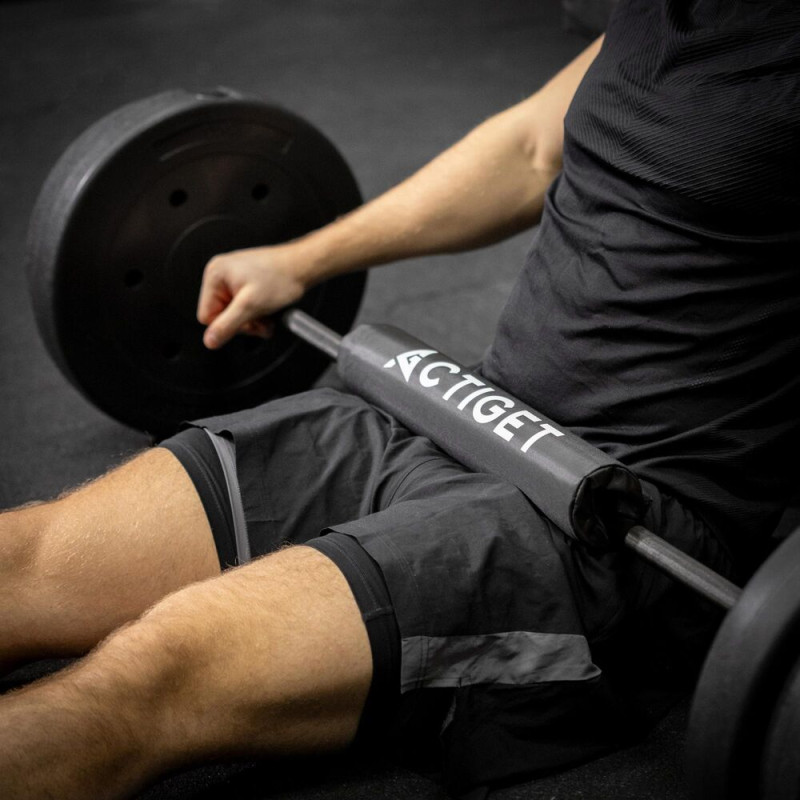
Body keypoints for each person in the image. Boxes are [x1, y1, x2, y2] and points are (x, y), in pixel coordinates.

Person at [2, 1, 799, 797]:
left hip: (615, 524)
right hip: (461, 410)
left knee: (154, 670)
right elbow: (528, 148)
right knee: (22, 559)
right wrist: (300, 260)